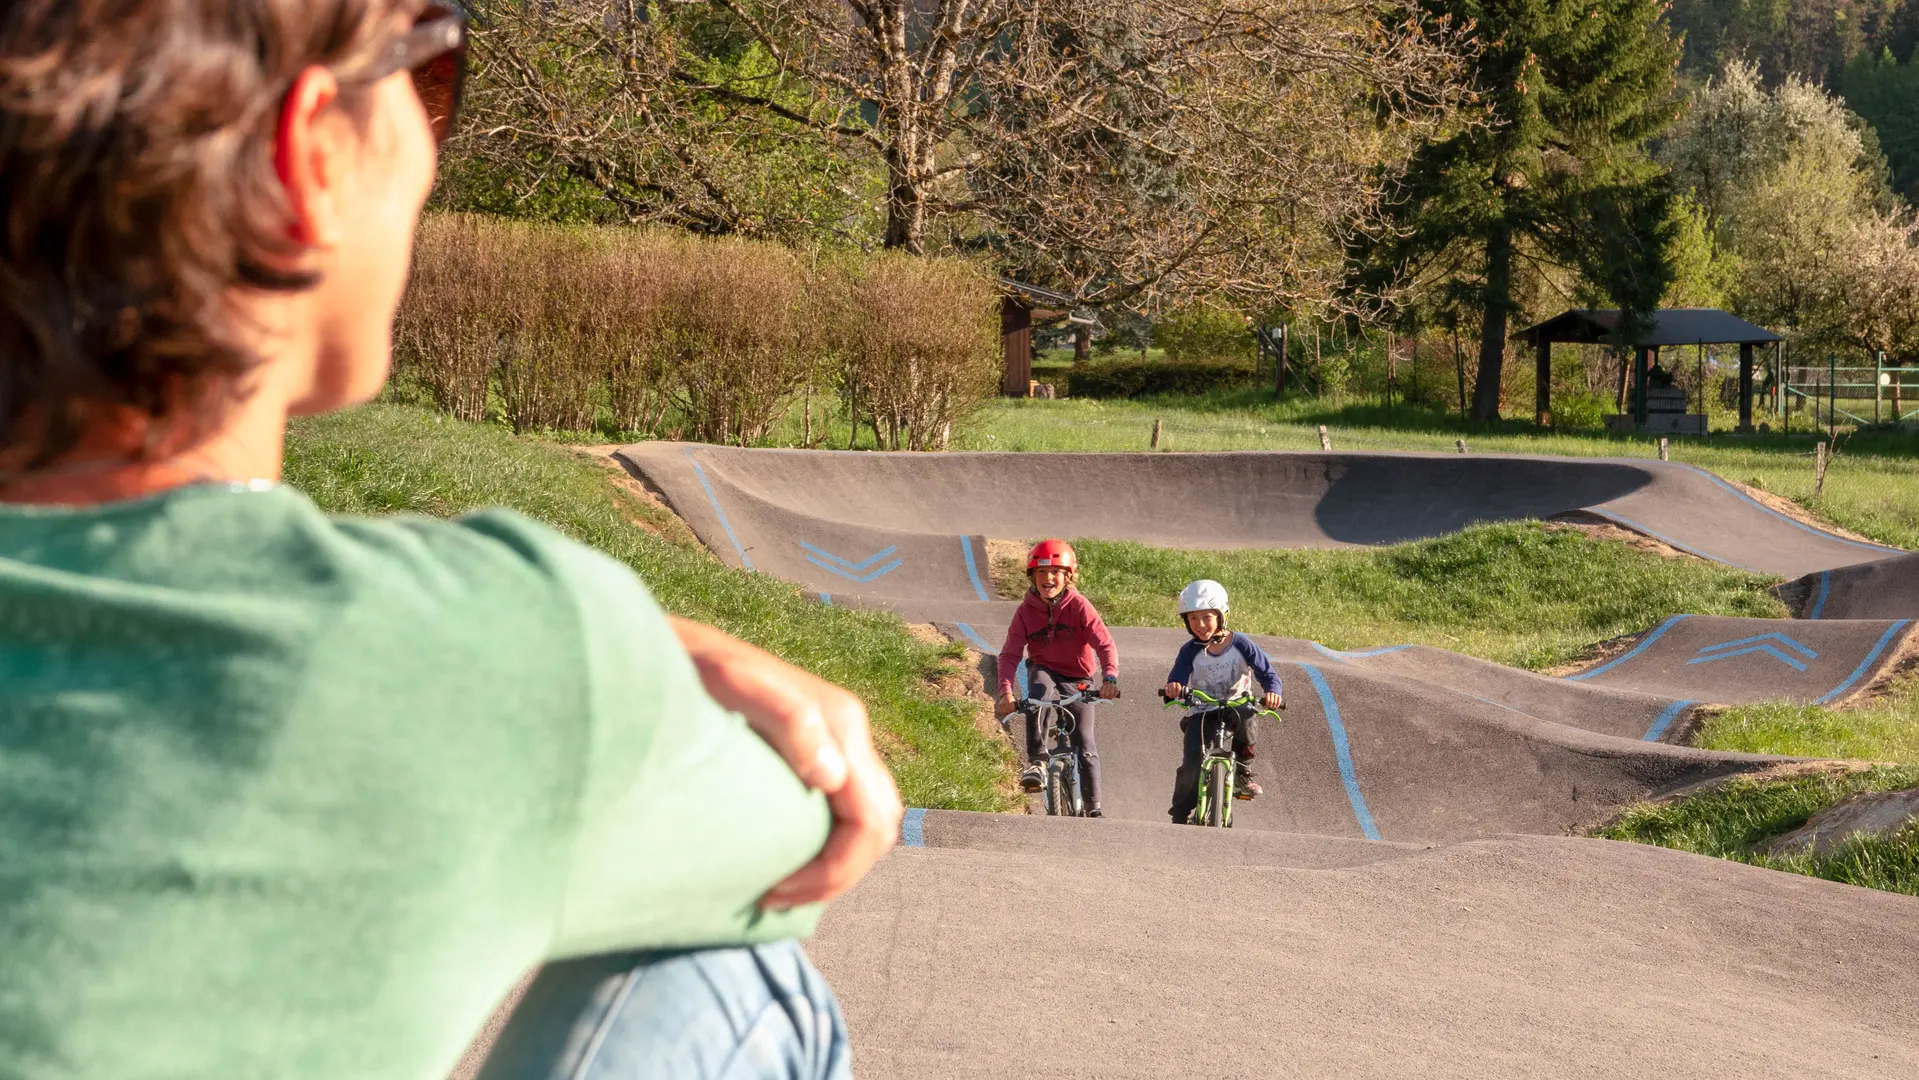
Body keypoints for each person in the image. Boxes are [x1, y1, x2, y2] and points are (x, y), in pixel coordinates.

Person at [0, 4, 901, 1079]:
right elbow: (808, 829)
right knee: (734, 976)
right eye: (430, 76)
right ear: (315, 157)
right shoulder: (482, 654)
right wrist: (618, 658)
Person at [993, 539, 1120, 817]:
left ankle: (1094, 807)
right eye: (1040, 572)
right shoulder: (1025, 612)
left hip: (1079, 677)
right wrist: (1005, 692)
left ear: (1068, 576)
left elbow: (1104, 644)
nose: (1047, 578)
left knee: (1085, 744)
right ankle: (1037, 762)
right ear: (1031, 576)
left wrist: (1109, 677)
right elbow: (1009, 655)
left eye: (1055, 572)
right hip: (1044, 669)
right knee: (1038, 695)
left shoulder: (1080, 606)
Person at [1161, 580, 1283, 824]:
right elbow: (1176, 677)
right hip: (1202, 708)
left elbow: (1268, 673)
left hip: (1236, 704)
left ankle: (1242, 773)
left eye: (1207, 617)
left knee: (1248, 720)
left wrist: (1273, 692)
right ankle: (1181, 811)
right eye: (1193, 619)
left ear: (1222, 616)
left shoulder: (1241, 644)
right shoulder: (1190, 650)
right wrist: (1174, 687)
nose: (1200, 625)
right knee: (1192, 763)